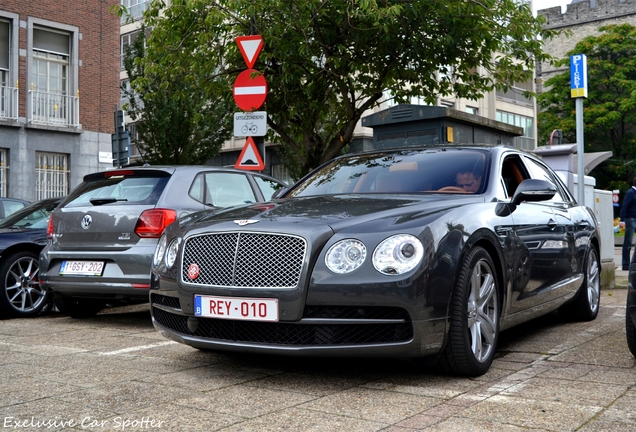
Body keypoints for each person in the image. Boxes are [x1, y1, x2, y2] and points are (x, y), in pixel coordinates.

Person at [621, 177, 636, 270]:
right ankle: (626, 264)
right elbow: (624, 206)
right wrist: (622, 220)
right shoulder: (630, 193)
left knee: (629, 242)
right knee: (628, 242)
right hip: (630, 219)